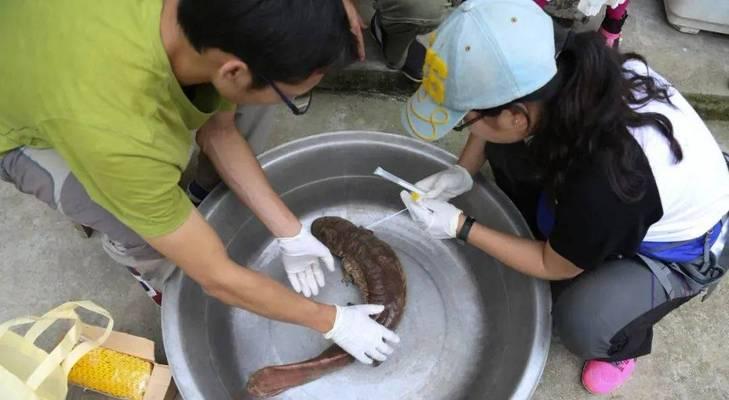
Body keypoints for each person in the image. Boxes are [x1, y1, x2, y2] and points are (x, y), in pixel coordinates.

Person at [0, 0, 399, 365]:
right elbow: (216, 278)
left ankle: (191, 203)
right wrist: (331, 321)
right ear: (234, 70)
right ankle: (152, 267)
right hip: (18, 124)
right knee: (136, 228)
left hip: (65, 43)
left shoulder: (209, 24)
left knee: (248, 115)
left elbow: (220, 132)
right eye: (291, 97)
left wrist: (290, 231)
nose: (288, 103)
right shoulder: (120, 139)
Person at [399, 0, 729, 394]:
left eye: (464, 119)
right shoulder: (561, 68)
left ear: (517, 116)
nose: (467, 126)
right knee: (505, 150)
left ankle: (620, 343)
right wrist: (463, 170)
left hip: (687, 246)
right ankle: (571, 232)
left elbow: (554, 264)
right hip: (627, 192)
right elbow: (493, 109)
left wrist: (461, 227)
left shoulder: (607, 184)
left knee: (583, 318)